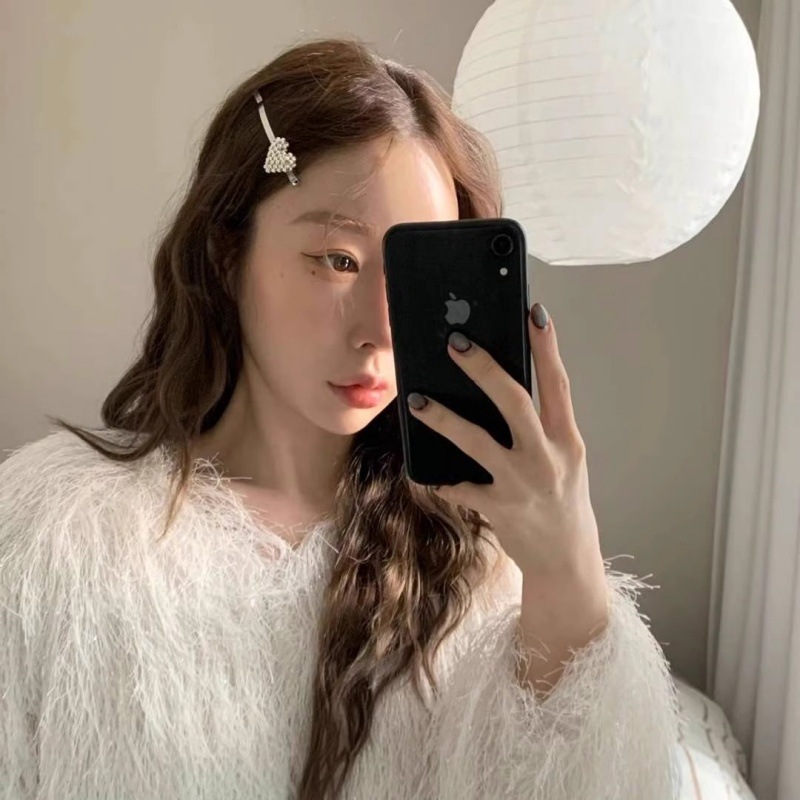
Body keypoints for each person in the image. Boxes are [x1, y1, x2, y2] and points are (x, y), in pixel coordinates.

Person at [0, 37, 683, 800]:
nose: (382, 329)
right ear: (227, 255)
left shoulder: (480, 571)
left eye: (415, 278)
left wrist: (568, 575)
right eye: (338, 260)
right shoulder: (52, 539)